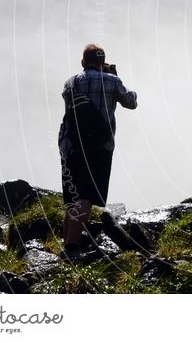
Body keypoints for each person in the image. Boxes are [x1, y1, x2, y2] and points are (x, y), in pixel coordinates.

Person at [58, 44, 137, 261]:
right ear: (103, 62)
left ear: (83, 62)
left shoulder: (69, 83)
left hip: (71, 146)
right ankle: (72, 248)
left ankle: (66, 246)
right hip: (99, 147)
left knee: (73, 198)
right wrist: (114, 76)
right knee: (87, 196)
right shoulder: (111, 80)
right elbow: (131, 103)